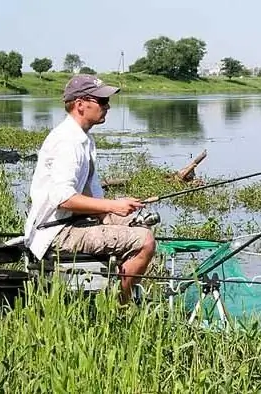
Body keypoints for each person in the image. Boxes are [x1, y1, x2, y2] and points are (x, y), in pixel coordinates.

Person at [24, 74, 155, 303]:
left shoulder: (83, 139)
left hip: (70, 222)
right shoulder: (68, 142)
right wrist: (112, 205)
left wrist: (116, 208)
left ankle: (114, 284)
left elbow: (87, 196)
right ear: (80, 104)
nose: (108, 107)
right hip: (57, 233)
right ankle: (121, 306)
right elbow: (63, 199)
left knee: (140, 223)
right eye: (102, 101)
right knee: (145, 240)